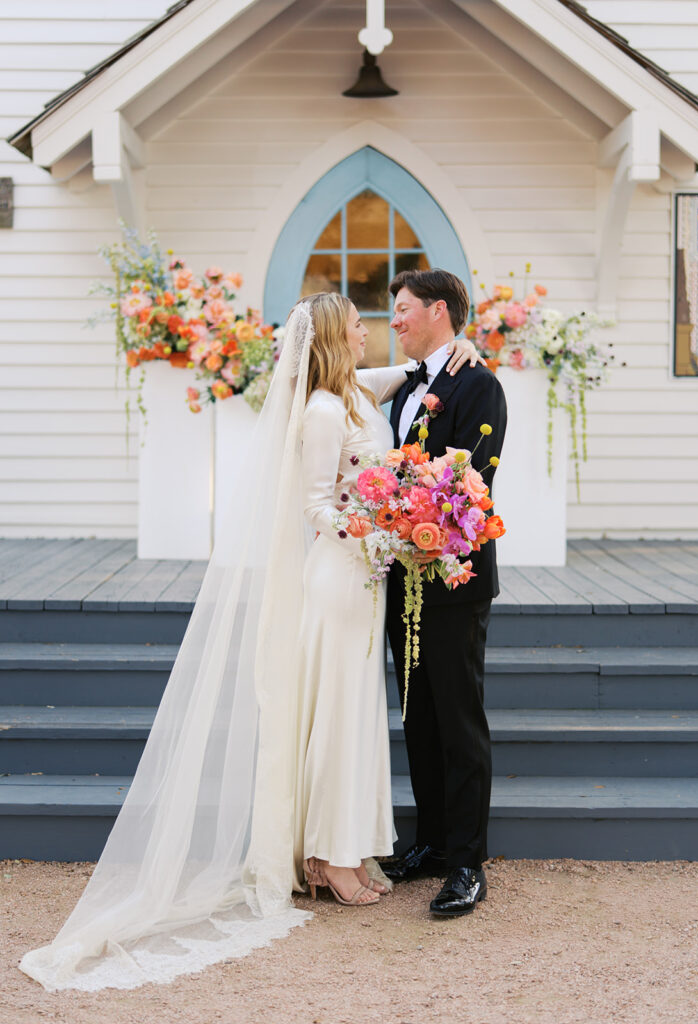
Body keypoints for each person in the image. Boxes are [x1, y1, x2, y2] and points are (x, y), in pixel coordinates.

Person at [18, 291, 482, 991]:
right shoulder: (322, 411)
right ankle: (327, 858)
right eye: (356, 325)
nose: (368, 332)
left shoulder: (359, 391)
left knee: (353, 713)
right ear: (334, 336)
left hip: (367, 580)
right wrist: (373, 526)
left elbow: (418, 373)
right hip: (339, 575)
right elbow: (316, 504)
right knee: (333, 715)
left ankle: (343, 849)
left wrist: (462, 348)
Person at [381, 269, 507, 918]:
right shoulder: (404, 386)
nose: (394, 320)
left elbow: (469, 482)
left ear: (437, 311)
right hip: (402, 576)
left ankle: (466, 863)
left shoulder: (478, 383)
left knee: (459, 721)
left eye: (403, 309)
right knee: (418, 719)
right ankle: (431, 843)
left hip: (454, 579)